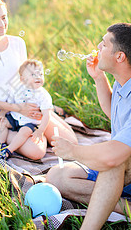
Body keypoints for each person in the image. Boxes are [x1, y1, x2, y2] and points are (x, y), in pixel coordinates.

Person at [0, 0, 77, 161]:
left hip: (26, 107)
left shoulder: (18, 43)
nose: (2, 24)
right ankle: (30, 132)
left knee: (71, 141)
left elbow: (25, 81)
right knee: (37, 152)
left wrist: (35, 108)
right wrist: (16, 108)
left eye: (4, 18)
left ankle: (44, 120)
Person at [46, 23, 131, 229]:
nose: (97, 48)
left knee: (112, 162)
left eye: (103, 44)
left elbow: (113, 156)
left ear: (119, 56)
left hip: (123, 164)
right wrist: (99, 78)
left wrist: (73, 150)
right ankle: (124, 206)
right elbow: (115, 113)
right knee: (56, 176)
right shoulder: (122, 80)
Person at [0, 59, 63, 160]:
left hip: (30, 122)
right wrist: (2, 112)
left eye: (40, 74)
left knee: (24, 132)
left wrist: (40, 131)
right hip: (15, 117)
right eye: (33, 75)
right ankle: (0, 145)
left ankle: (8, 151)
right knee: (2, 122)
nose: (38, 77)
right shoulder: (17, 89)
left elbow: (47, 115)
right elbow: (10, 103)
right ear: (23, 79)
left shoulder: (43, 95)